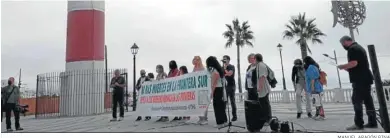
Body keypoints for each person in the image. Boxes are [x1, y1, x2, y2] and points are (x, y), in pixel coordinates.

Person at [337, 36, 377, 130]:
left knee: (356, 100)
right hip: (366, 78)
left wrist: (342, 66)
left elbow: (354, 63)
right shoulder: (360, 48)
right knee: (368, 101)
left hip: (360, 80)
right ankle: (372, 122)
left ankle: (358, 123)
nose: (343, 46)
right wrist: (347, 68)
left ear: (346, 41)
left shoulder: (352, 49)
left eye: (342, 44)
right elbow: (358, 65)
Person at [206, 56, 228, 127]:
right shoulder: (218, 69)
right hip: (220, 88)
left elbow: (214, 83)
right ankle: (224, 121)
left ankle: (220, 123)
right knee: (221, 106)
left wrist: (212, 92)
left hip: (217, 89)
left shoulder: (214, 70)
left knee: (217, 106)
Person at [303, 56, 324, 120]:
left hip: (315, 87)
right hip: (317, 86)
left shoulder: (310, 67)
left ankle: (321, 115)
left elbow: (313, 78)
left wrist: (312, 88)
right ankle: (318, 114)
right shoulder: (314, 66)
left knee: (317, 102)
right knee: (317, 101)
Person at [254, 53, 272, 123]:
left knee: (264, 103)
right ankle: (267, 118)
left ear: (256, 59)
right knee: (265, 103)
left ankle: (267, 118)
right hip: (264, 85)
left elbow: (262, 77)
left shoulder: (260, 65)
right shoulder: (262, 64)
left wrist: (259, 87)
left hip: (263, 87)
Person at [193, 56, 208, 124]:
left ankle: (205, 119)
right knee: (198, 104)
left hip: (202, 89)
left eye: (195, 60)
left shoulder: (202, 68)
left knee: (203, 104)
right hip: (196, 89)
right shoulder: (194, 68)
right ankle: (200, 118)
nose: (194, 61)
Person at [222, 55, 237, 121]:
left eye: (225, 59)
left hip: (231, 86)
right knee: (224, 102)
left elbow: (229, 74)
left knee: (232, 101)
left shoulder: (231, 66)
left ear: (228, 60)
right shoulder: (222, 67)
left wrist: (225, 69)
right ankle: (224, 117)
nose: (224, 60)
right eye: (223, 59)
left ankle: (234, 116)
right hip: (224, 86)